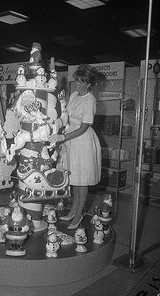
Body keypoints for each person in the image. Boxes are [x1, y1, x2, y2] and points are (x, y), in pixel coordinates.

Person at [48, 64, 101, 229]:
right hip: (71, 138)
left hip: (83, 141)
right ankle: (73, 211)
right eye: (77, 81)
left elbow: (83, 127)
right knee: (73, 179)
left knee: (81, 180)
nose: (77, 84)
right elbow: (66, 116)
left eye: (81, 81)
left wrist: (63, 136)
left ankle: (79, 215)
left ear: (89, 84)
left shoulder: (90, 100)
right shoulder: (75, 96)